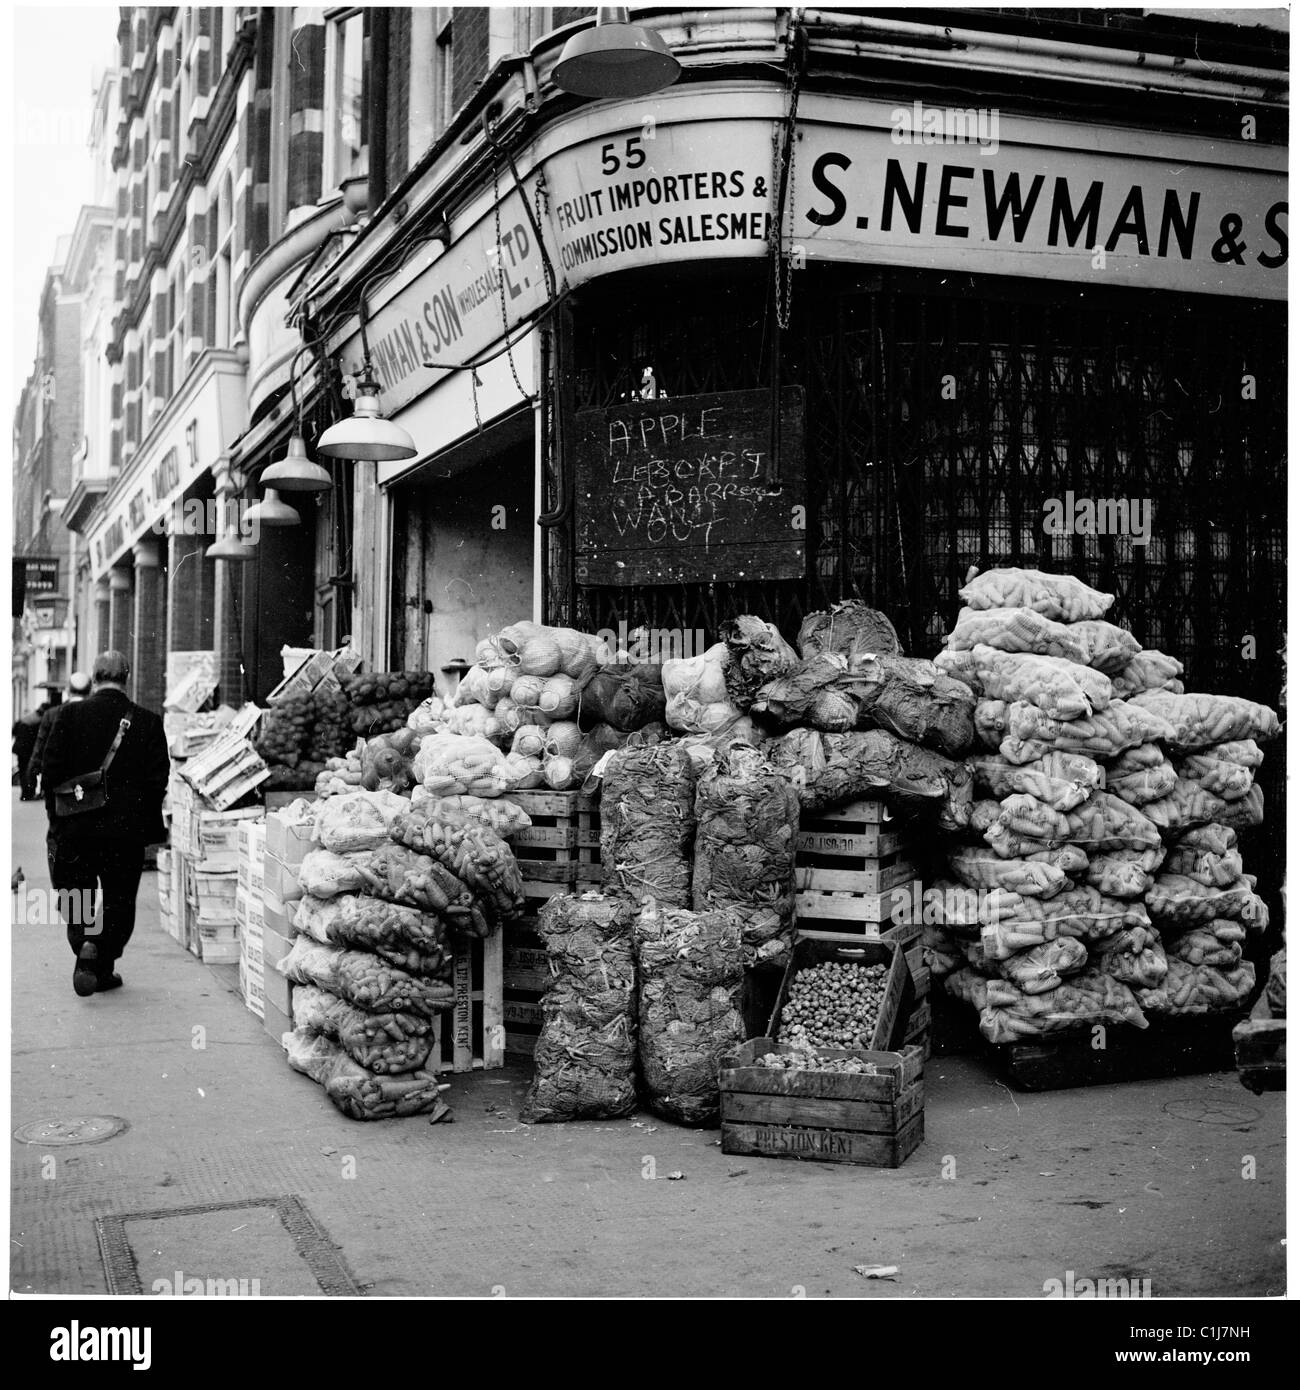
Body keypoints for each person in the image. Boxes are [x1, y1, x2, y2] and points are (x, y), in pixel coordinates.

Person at [41, 652, 170, 997]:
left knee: (76, 895)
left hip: (75, 829)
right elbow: (158, 781)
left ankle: (84, 942)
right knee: (118, 900)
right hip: (124, 835)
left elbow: (50, 773)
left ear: (95, 678)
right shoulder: (148, 721)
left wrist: (58, 820)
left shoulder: (69, 715)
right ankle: (102, 959)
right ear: (126, 677)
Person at [29, 673, 91, 796]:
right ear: (90, 691)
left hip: (60, 784)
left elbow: (40, 748)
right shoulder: (95, 713)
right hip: (89, 782)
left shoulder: (52, 713)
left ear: (68, 690)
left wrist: (32, 773)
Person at [12, 706, 44, 799]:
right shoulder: (39, 721)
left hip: (19, 750)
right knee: (31, 771)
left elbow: (13, 731)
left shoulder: (24, 719)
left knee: (23, 771)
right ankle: (30, 793)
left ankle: (25, 794)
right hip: (29, 750)